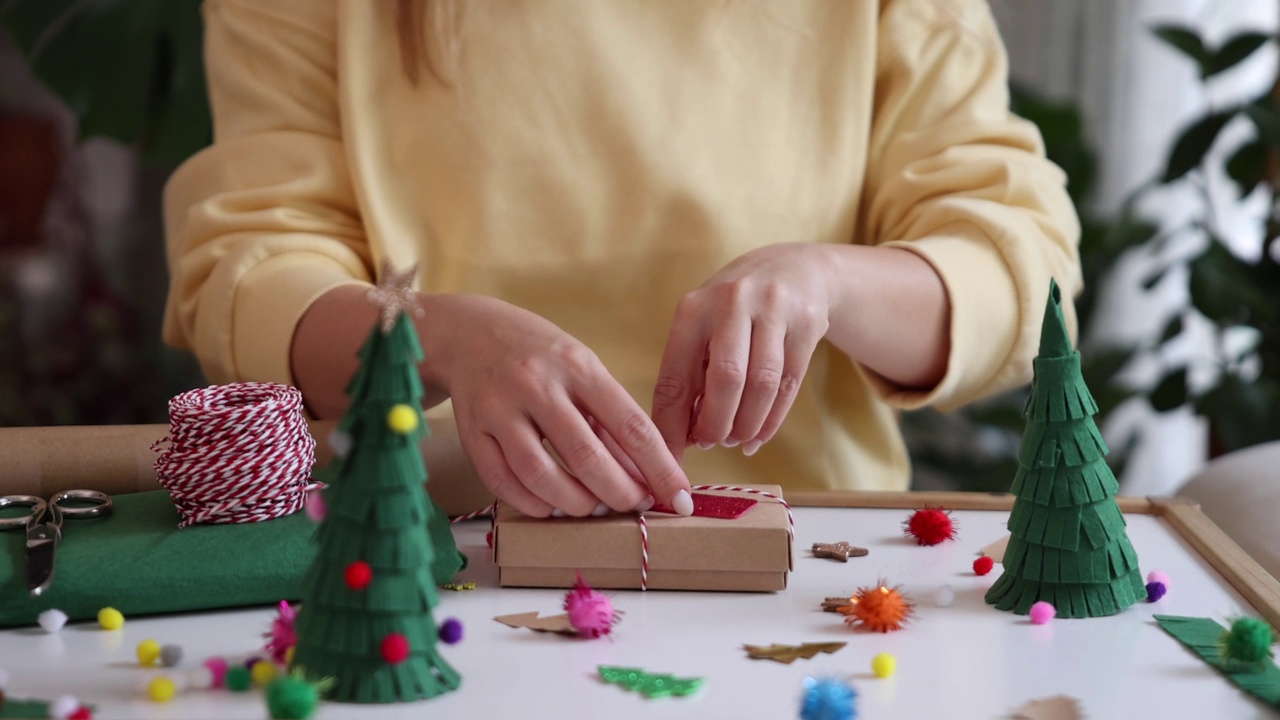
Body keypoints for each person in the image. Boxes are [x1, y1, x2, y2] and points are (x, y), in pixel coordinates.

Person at [162, 0, 1081, 520]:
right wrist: (431, 334)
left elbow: (1019, 262)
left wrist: (830, 282)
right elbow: (249, 265)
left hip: (810, 557)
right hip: (434, 554)